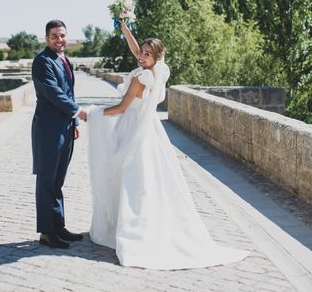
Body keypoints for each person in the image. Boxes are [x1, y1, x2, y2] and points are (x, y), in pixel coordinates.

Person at [86, 20, 249, 269]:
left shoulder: (141, 79)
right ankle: (151, 223)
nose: (140, 55)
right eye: (141, 51)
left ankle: (136, 231)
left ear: (156, 56)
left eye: (146, 53)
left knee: (134, 180)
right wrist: (125, 29)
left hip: (133, 129)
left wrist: (93, 113)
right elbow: (137, 51)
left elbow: (121, 108)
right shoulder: (159, 71)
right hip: (150, 130)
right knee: (152, 179)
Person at [31, 19, 87, 248]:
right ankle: (46, 232)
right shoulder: (42, 62)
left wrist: (73, 123)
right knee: (46, 180)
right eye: (54, 36)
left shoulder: (65, 60)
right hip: (48, 130)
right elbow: (53, 93)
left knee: (58, 180)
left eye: (62, 35)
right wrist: (77, 111)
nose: (59, 39)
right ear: (46, 38)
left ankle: (58, 226)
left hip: (65, 128)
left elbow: (69, 92)